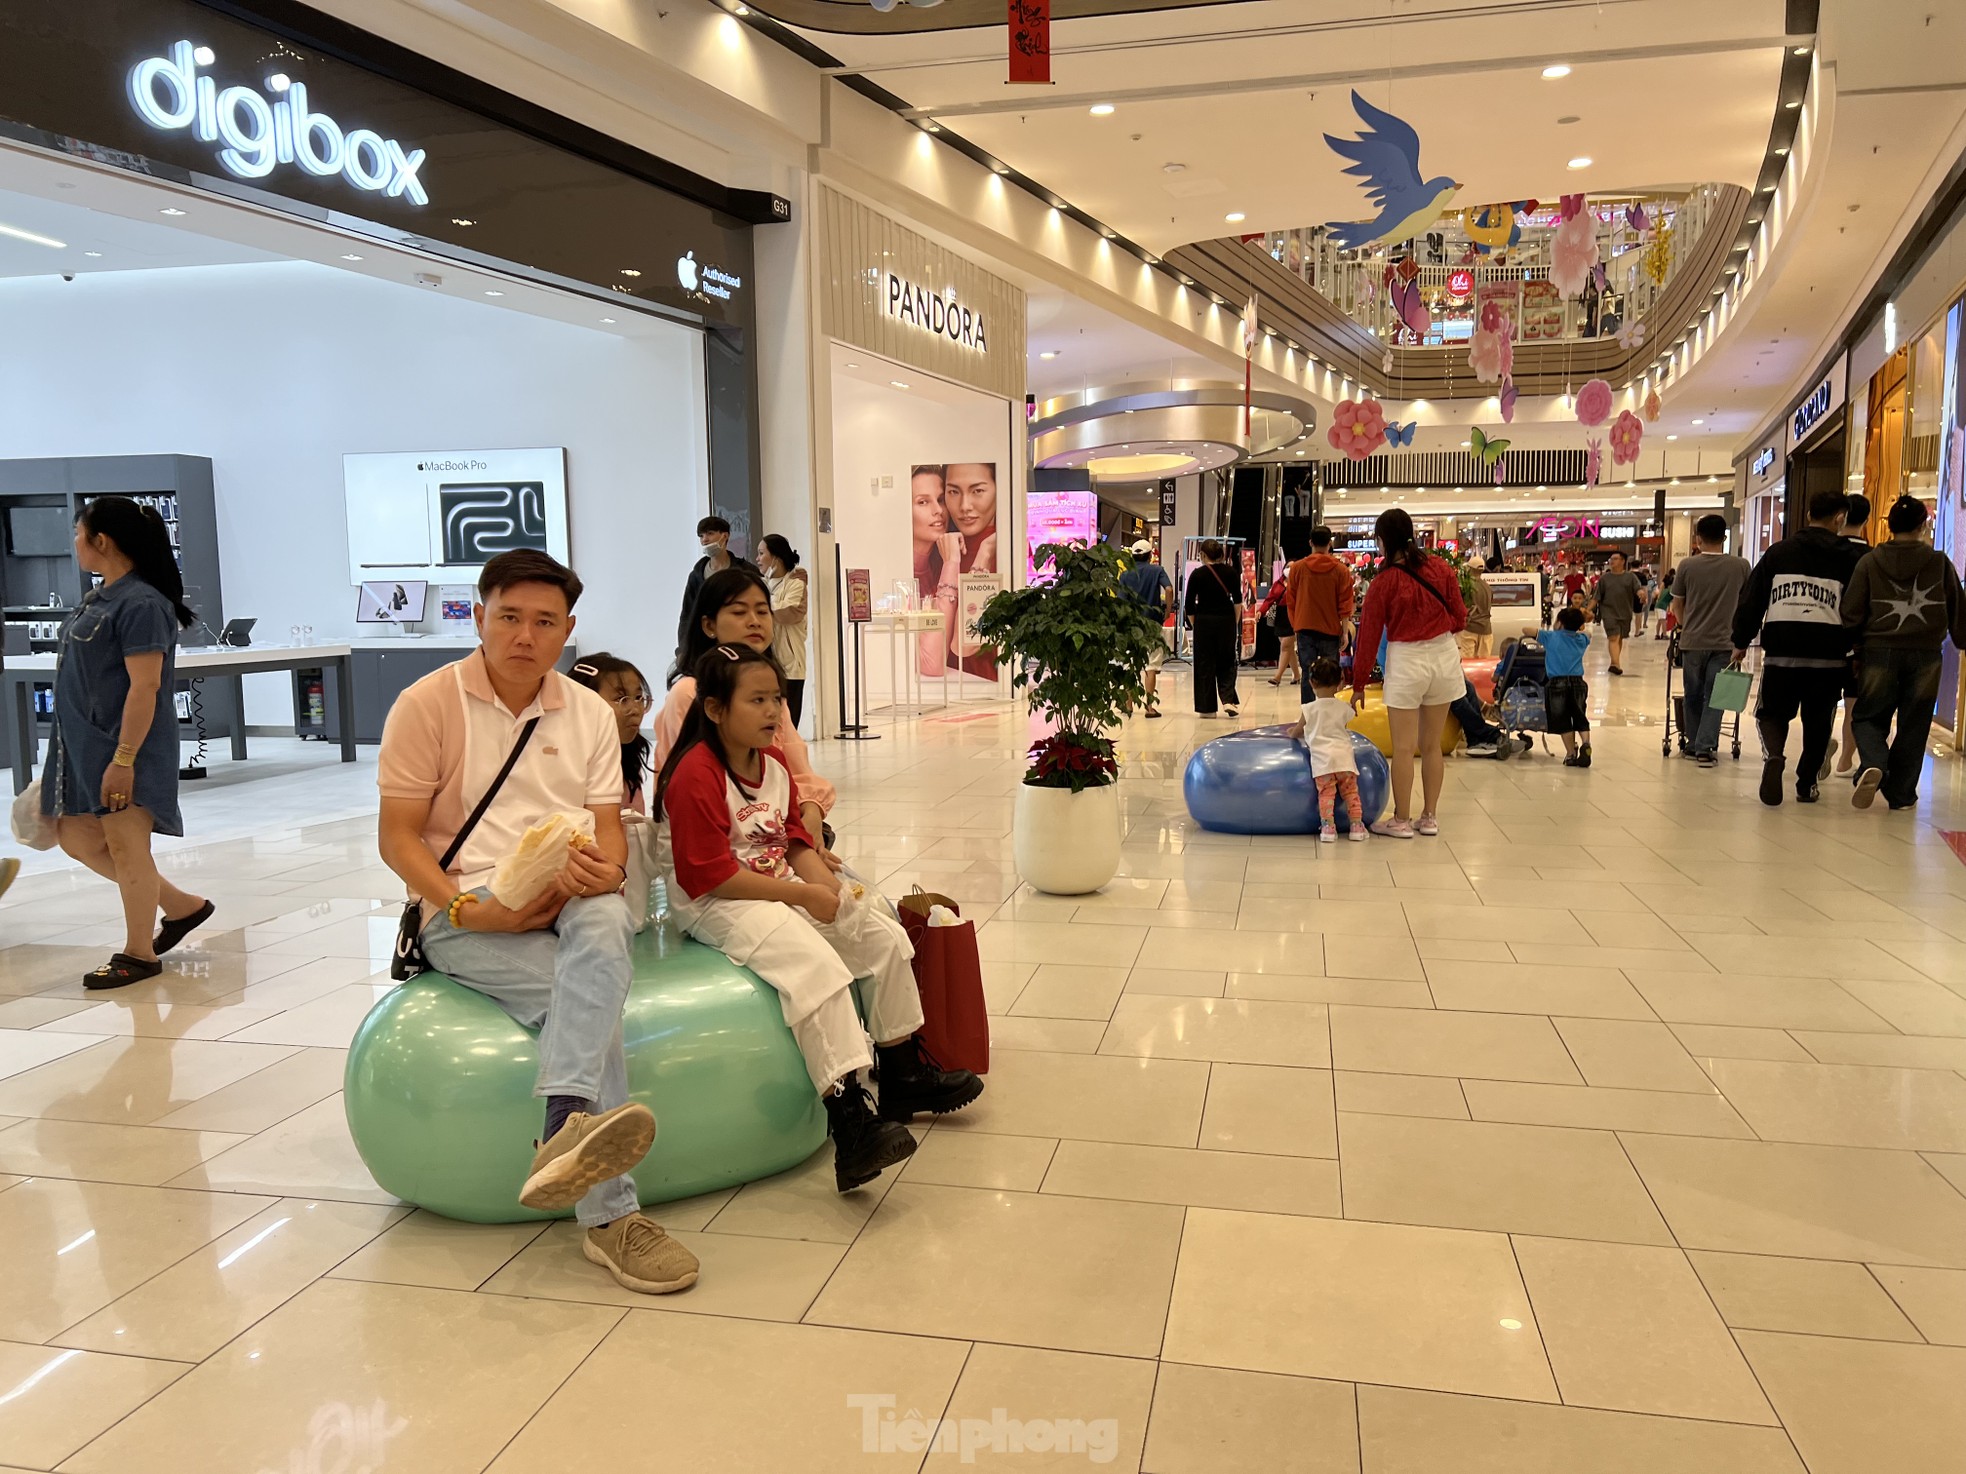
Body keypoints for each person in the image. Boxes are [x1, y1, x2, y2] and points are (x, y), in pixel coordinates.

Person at [378, 550, 698, 1296]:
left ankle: (560, 1135)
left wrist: (609, 872)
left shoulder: (585, 712)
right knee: (587, 1000)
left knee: (605, 924)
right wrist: (463, 905)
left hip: (568, 891)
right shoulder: (426, 705)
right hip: (467, 909)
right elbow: (397, 837)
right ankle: (612, 1218)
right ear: (478, 615)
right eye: (509, 617)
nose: (524, 635)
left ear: (568, 631)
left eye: (544, 622)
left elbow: (608, 828)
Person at [656, 643, 982, 1191]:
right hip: (720, 903)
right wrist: (803, 898)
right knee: (814, 964)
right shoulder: (695, 774)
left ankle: (902, 1071)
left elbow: (795, 841)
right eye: (756, 700)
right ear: (714, 709)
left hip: (776, 885)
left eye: (777, 700)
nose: (772, 713)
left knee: (880, 934)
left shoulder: (776, 765)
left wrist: (827, 888)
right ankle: (849, 1119)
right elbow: (706, 878)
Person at [43, 495, 213, 988]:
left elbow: (147, 687)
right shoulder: (102, 597)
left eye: (79, 532)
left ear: (102, 540)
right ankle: (181, 907)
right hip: (82, 747)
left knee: (125, 846)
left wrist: (124, 760)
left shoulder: (141, 603)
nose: (75, 542)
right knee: (75, 837)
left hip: (122, 748)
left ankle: (139, 953)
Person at [657, 568, 838, 856]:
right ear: (709, 625)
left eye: (762, 612)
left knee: (847, 892)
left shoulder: (767, 690)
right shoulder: (690, 693)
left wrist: (811, 811)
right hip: (723, 844)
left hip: (772, 830)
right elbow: (691, 785)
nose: (754, 622)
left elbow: (796, 765)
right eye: (739, 612)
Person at [1731, 489, 1864, 807]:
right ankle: (1806, 784)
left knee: (1771, 713)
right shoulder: (1852, 557)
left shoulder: (1778, 552)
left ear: (1808, 515)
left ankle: (1775, 756)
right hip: (1829, 655)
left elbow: (1753, 598)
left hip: (1782, 652)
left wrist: (1740, 640)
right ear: (1840, 518)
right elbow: (1860, 606)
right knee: (1819, 720)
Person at [1840, 495, 1966, 811]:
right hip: (1926, 655)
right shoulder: (1939, 563)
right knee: (1914, 723)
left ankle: (1874, 762)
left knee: (1869, 716)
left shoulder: (1869, 562)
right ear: (1924, 525)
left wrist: (1855, 648)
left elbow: (1851, 610)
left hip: (1879, 651)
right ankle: (1901, 795)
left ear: (1889, 526)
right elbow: (1958, 610)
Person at [1351, 508, 1467, 838]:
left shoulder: (1383, 582)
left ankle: (1401, 819)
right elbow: (1459, 616)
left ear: (1382, 540)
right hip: (1443, 656)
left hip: (1406, 660)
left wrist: (1359, 683)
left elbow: (1370, 636)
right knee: (1431, 746)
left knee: (1403, 748)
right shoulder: (1440, 567)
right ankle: (1429, 817)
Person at [1669, 516, 1751, 768]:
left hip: (1692, 641)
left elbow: (1677, 603)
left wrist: (1684, 625)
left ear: (1697, 538)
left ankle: (1695, 743)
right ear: (1725, 538)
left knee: (1693, 694)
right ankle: (1705, 747)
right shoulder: (1741, 566)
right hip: (1726, 641)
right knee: (1716, 695)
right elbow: (1747, 605)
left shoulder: (1687, 566)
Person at [1286, 657, 1368, 842]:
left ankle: (1328, 828)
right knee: (1351, 793)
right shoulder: (1344, 708)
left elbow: (1297, 732)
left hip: (1323, 761)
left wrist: (1292, 732)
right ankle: (1356, 825)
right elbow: (1343, 724)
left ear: (1311, 682)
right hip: (1345, 759)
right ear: (1340, 682)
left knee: (1326, 795)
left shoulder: (1309, 709)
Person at [568, 654, 654, 812]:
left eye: (638, 698)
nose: (635, 710)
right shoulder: (568, 762)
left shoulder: (629, 754)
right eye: (621, 699)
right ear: (584, 703)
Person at [941, 463, 1000, 680]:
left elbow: (963, 644)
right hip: (943, 686)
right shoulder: (945, 545)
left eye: (977, 491)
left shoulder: (1005, 550)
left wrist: (984, 553)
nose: (964, 506)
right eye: (954, 492)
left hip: (989, 689)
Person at [1285, 526, 1356, 701]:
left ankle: (1308, 717)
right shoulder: (1341, 570)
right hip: (1330, 630)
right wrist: (1345, 630)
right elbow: (1345, 604)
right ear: (1330, 544)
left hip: (1305, 627)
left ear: (1310, 543)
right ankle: (1328, 715)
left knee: (1308, 674)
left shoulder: (1297, 568)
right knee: (1330, 676)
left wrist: (1296, 625)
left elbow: (1291, 601)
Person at [678, 515, 756, 661]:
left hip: (739, 642)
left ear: (724, 536)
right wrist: (683, 649)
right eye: (701, 536)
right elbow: (687, 615)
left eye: (710, 533)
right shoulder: (697, 575)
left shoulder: (746, 571)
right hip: (705, 645)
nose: (704, 539)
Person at [1835, 492, 1874, 774]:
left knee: (1821, 699)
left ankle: (1823, 744)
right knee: (1853, 700)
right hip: (1861, 640)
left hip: (1825, 635)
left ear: (1840, 516)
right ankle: (1846, 758)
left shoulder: (1828, 550)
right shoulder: (1873, 556)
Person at [1183, 539, 1242, 719]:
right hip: (1226, 621)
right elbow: (1238, 601)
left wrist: (1196, 623)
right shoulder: (1231, 573)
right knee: (1227, 660)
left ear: (1202, 555)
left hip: (1204, 622)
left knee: (1204, 664)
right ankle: (1228, 700)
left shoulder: (1197, 575)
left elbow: (1189, 605)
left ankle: (1207, 708)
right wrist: (1233, 622)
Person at [1529, 605, 1593, 767]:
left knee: (1563, 719)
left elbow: (1526, 629)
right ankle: (1586, 743)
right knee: (1580, 716)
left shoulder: (1550, 637)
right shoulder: (1582, 639)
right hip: (1578, 682)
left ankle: (1571, 754)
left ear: (1560, 623)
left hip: (1557, 684)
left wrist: (1555, 629)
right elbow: (1588, 633)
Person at [757, 534, 810, 728]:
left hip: (790, 665)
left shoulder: (795, 583)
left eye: (761, 553)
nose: (757, 559)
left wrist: (764, 607)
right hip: (765, 663)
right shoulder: (760, 585)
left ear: (776, 558)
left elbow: (790, 613)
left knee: (788, 723)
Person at [1118, 539, 1173, 718]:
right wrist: (1167, 610)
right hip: (1152, 623)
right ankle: (1149, 707)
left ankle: (1128, 705)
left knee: (1129, 664)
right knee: (1151, 664)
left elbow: (1121, 600)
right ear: (1150, 556)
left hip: (1131, 625)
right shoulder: (1157, 571)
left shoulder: (1125, 575)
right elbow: (1169, 589)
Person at [912, 466, 958, 679]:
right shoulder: (899, 576)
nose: (938, 510)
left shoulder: (938, 565)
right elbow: (932, 664)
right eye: (923, 502)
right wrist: (951, 563)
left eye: (940, 500)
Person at [1594, 551, 1642, 675]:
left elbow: (1638, 589)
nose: (1612, 561)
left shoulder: (1630, 577)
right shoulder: (1604, 578)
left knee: (1619, 638)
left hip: (1625, 612)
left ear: (1622, 561)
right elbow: (1596, 597)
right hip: (1608, 612)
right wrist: (1587, 610)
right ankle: (1616, 664)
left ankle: (1613, 663)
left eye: (1615, 559)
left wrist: (1641, 594)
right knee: (1613, 637)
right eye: (1611, 559)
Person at [1257, 571, 1300, 688]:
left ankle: (1278, 676)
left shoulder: (1299, 582)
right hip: (1280, 616)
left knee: (1285, 646)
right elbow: (1270, 599)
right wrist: (1261, 611)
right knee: (1288, 648)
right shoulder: (1278, 583)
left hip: (1293, 615)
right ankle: (1296, 675)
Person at [1459, 569, 1494, 659]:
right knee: (1484, 662)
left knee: (1467, 662)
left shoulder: (1467, 587)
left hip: (1470, 628)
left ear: (1470, 569)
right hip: (1486, 629)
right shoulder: (1488, 587)